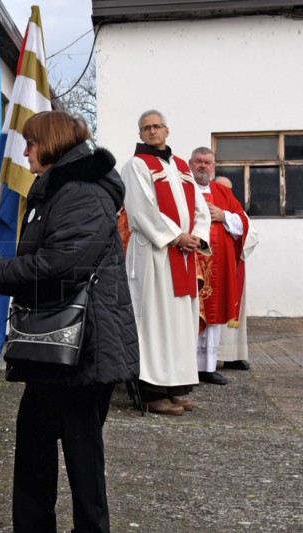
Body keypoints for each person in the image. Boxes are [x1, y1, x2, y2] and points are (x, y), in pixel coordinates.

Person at [0, 111, 139, 533]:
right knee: (35, 446)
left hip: (84, 348)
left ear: (49, 144)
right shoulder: (59, 189)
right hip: (60, 344)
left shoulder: (81, 191)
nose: (25, 152)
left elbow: (62, 264)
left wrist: (1, 270)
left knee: (82, 455)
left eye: (30, 143)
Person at [120, 110, 211, 416]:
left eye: (157, 126)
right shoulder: (136, 165)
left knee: (179, 323)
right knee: (154, 323)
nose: (152, 131)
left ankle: (176, 389)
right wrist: (175, 237)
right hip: (153, 254)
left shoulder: (182, 166)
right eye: (146, 128)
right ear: (141, 134)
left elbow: (201, 209)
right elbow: (139, 210)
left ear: (167, 131)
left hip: (182, 256)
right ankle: (150, 393)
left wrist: (196, 236)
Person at [189, 148, 250, 384]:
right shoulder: (183, 188)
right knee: (189, 314)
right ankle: (186, 367)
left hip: (216, 266)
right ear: (190, 163)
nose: (203, 166)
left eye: (208, 163)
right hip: (190, 262)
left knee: (213, 315)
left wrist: (224, 215)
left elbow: (243, 221)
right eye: (199, 162)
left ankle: (208, 367)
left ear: (214, 166)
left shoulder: (222, 192)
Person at [210, 176, 259, 370]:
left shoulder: (236, 212)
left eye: (229, 190)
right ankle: (207, 358)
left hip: (233, 266)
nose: (226, 193)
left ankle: (232, 355)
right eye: (222, 189)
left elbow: (252, 235)